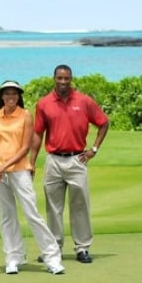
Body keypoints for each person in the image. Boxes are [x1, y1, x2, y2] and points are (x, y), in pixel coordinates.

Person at [29, 64, 110, 264]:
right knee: (53, 208)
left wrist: (94, 149)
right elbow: (38, 133)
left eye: (66, 78)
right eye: (59, 78)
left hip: (77, 159)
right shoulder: (44, 103)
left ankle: (82, 248)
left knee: (80, 205)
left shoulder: (84, 101)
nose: (63, 82)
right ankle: (54, 248)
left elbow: (103, 122)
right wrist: (31, 162)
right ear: (54, 79)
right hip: (53, 160)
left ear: (71, 79)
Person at [0, 80, 65, 275]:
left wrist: (2, 167)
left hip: (20, 170)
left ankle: (52, 257)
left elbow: (25, 148)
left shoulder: (25, 116)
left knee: (32, 213)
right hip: (0, 172)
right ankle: (13, 257)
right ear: (1, 96)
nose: (11, 97)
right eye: (7, 93)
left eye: (15, 93)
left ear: (19, 96)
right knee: (7, 216)